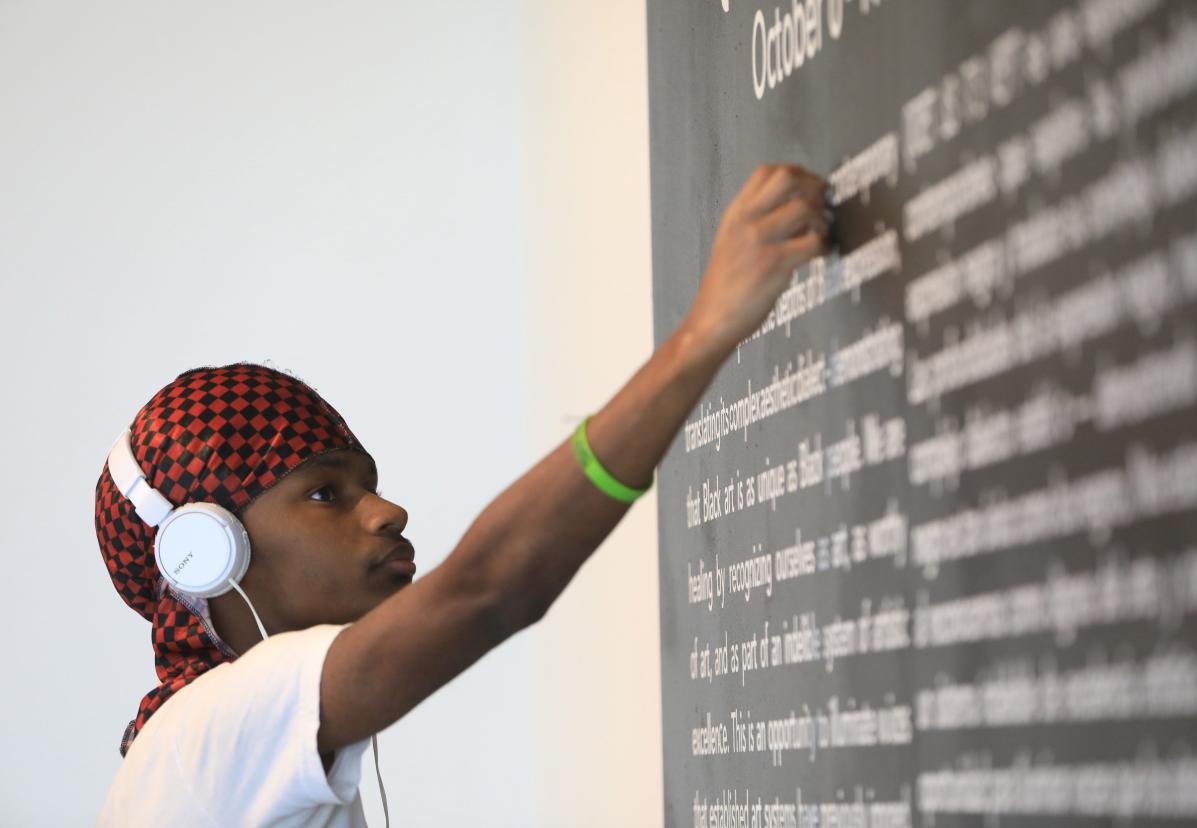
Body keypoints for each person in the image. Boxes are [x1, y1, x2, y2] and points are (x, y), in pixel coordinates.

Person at [94, 163, 832, 827]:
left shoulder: (208, 746)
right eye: (325, 494)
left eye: (368, 485)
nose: (387, 512)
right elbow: (489, 587)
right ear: (205, 554)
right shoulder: (211, 734)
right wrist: (702, 336)